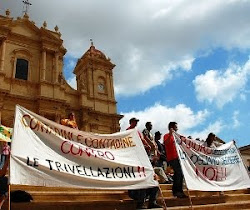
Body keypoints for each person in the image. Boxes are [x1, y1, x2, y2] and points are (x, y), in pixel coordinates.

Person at [127, 118, 161, 209]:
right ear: (130, 122)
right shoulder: (128, 131)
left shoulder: (138, 132)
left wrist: (148, 146)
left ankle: (152, 202)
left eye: (137, 122)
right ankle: (140, 203)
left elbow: (143, 140)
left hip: (143, 156)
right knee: (143, 181)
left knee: (154, 181)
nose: (136, 123)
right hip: (135, 157)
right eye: (134, 121)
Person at [164, 122, 187, 198]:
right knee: (178, 172)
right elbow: (165, 143)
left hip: (179, 157)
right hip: (172, 158)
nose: (177, 128)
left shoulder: (177, 137)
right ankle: (176, 191)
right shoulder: (167, 135)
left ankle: (179, 190)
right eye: (175, 127)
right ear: (171, 127)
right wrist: (170, 134)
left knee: (181, 174)